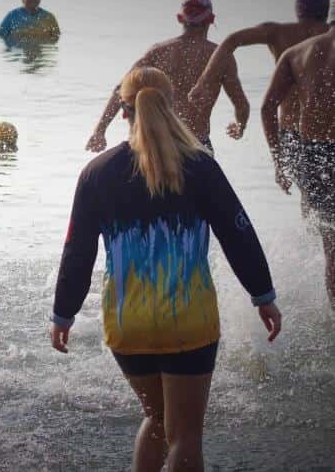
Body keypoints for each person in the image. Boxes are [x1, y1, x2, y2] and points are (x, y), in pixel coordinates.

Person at [51, 67, 281, 472]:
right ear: (172, 107)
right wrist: (263, 296)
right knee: (186, 434)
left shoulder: (96, 173)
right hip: (188, 321)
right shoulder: (201, 167)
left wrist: (63, 314)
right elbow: (238, 234)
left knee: (156, 419)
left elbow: (77, 252)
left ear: (123, 112)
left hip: (127, 324)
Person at [192, 0, 330, 192]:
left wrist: (204, 80)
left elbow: (231, 40)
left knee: (311, 200)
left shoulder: (277, 33)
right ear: (326, 8)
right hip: (324, 134)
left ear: (298, 8)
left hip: (289, 135)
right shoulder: (329, 38)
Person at [86, 0, 249, 155]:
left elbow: (121, 89)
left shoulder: (159, 52)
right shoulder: (220, 57)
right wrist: (240, 126)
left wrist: (100, 131)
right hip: (197, 144)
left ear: (180, 18)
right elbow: (241, 105)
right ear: (211, 20)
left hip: (160, 144)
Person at [261, 2, 335, 308]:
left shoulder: (297, 52)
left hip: (314, 156)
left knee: (331, 248)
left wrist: (279, 162)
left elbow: (267, 108)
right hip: (319, 155)